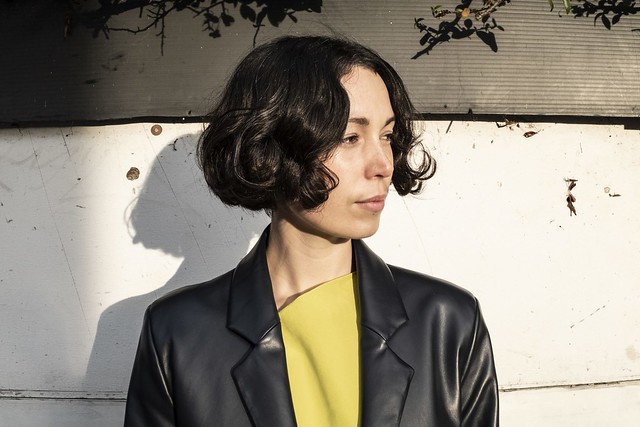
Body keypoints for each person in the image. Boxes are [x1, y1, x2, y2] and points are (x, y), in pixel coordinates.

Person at [124, 35, 499, 427]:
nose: (383, 164)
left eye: (387, 136)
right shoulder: (177, 333)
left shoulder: (448, 323)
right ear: (270, 148)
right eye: (350, 137)